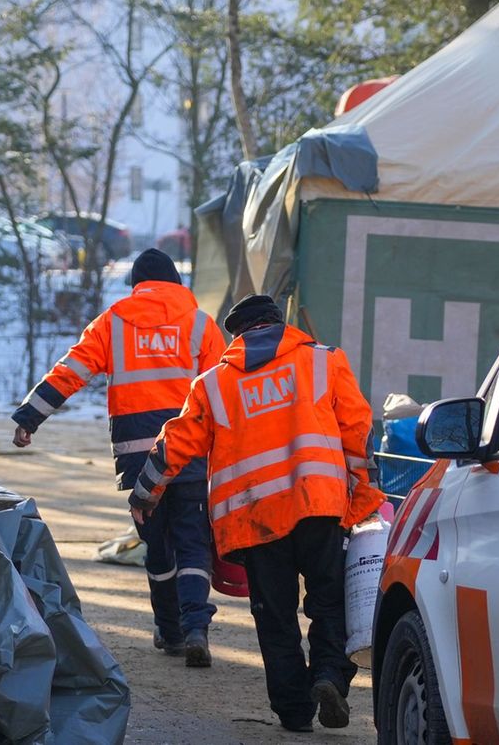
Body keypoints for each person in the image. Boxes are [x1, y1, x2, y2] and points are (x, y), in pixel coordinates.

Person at [129, 294, 384, 732]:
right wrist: (363, 496)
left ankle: (294, 711)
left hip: (254, 517)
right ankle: (328, 677)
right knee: (329, 601)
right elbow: (357, 431)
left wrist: (144, 494)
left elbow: (177, 442)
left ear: (237, 336)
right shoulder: (324, 361)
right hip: (318, 504)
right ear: (278, 324)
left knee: (274, 614)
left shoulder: (212, 383)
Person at [12, 248, 225, 666]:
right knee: (193, 541)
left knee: (157, 546)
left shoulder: (114, 322)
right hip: (188, 452)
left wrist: (30, 417)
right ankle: (196, 626)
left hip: (136, 455)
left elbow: (71, 371)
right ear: (176, 285)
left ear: (136, 285)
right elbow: (223, 388)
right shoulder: (200, 323)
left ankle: (169, 628)